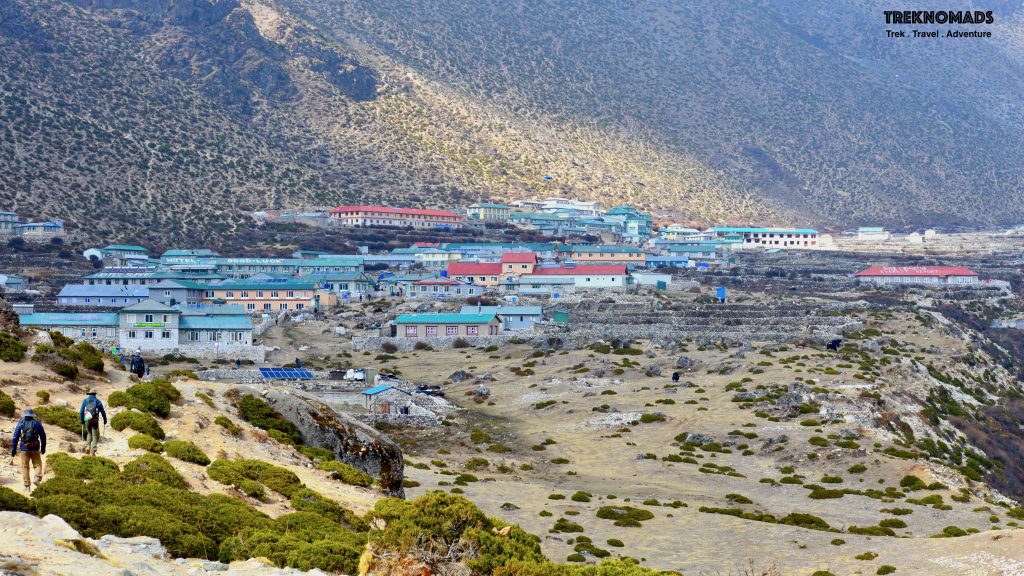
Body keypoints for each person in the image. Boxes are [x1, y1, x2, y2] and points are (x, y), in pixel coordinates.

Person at [11, 409, 46, 493]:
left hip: (24, 448)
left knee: (25, 467)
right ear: (32, 415)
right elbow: (43, 436)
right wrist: (43, 447)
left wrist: (13, 449)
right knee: (37, 464)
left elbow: (15, 437)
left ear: (25, 415)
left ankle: (27, 487)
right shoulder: (37, 423)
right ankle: (37, 477)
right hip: (35, 448)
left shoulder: (21, 423)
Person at [79, 390, 107, 456]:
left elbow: (81, 412)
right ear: (95, 394)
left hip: (87, 419)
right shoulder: (98, 402)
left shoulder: (85, 401)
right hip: (95, 420)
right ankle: (93, 451)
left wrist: (82, 420)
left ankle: (88, 446)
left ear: (89, 394)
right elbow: (103, 412)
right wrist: (105, 420)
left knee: (89, 433)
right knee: (95, 436)